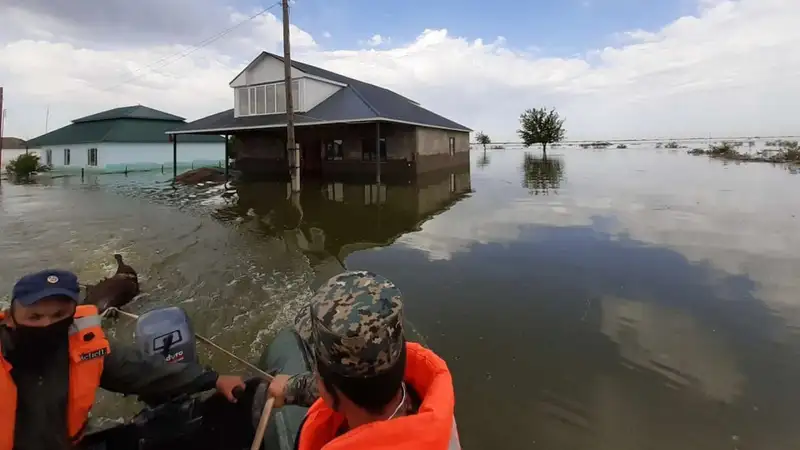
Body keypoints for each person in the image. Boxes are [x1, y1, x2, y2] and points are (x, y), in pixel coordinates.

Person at [0, 269, 247, 450]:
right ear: (11, 318)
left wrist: (212, 379)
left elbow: (142, 370)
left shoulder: (83, 348)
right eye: (34, 317)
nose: (47, 325)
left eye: (58, 315)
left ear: (72, 316)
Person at [264, 271, 461, 450]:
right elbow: (354, 392)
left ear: (330, 392)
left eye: (318, 372)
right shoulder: (437, 417)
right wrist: (292, 388)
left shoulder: (346, 396)